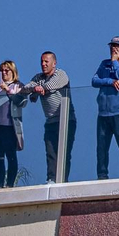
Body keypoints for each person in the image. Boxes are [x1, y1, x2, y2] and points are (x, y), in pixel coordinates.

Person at [91, 37, 119, 180]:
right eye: (112, 46)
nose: (114, 49)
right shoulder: (104, 64)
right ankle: (102, 176)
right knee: (102, 149)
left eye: (117, 46)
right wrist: (110, 81)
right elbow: (94, 80)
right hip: (103, 113)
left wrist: (116, 62)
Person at [28, 52, 75, 182]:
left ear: (54, 63)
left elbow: (52, 85)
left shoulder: (61, 74)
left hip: (66, 120)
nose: (43, 64)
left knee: (64, 152)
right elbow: (27, 87)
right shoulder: (38, 78)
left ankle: (63, 179)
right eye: (42, 61)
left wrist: (39, 89)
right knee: (50, 151)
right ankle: (52, 179)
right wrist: (35, 89)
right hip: (50, 121)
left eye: (46, 61)